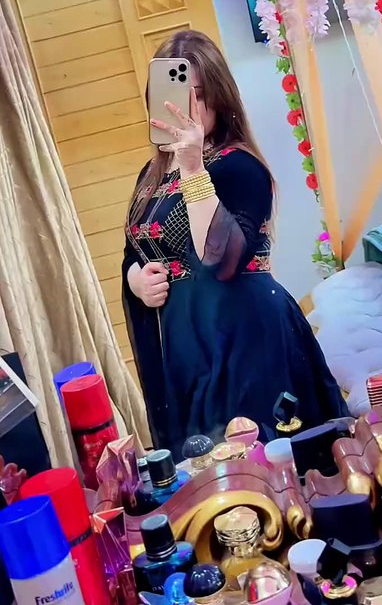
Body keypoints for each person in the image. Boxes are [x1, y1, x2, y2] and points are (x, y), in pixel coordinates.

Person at [122, 30, 348, 461]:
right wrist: (136, 280)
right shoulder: (149, 177)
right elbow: (135, 250)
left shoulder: (240, 167)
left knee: (263, 463)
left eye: (197, 95)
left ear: (218, 97)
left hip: (246, 339)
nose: (185, 106)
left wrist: (192, 168)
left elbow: (220, 260)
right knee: (207, 470)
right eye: (173, 93)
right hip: (187, 344)